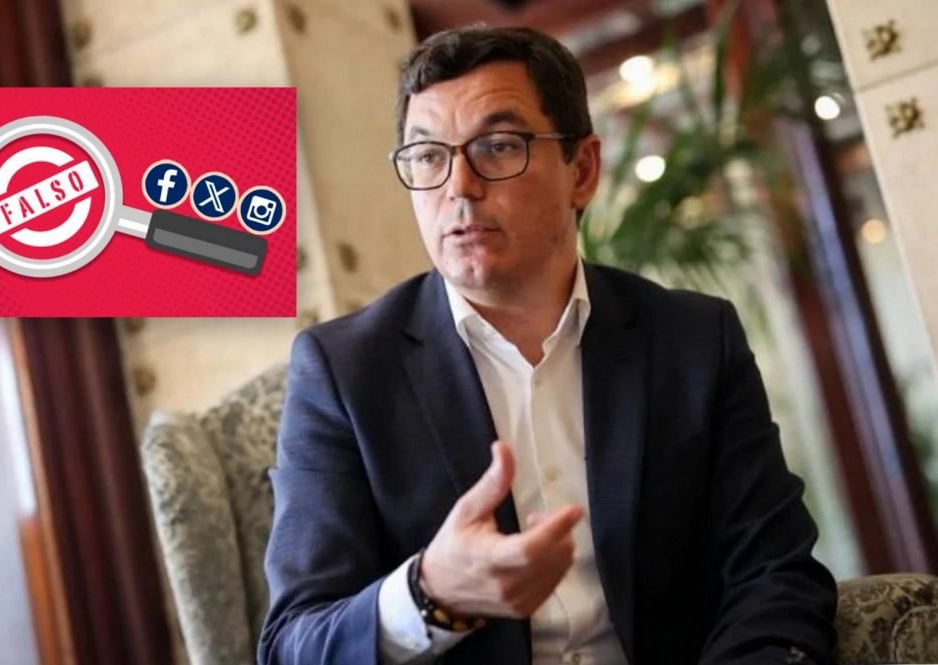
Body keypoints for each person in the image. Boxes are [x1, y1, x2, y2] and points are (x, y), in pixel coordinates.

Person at [258, 25, 837, 665]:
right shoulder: (344, 373)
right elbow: (293, 645)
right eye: (427, 156)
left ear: (581, 170)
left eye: (498, 147)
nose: (458, 186)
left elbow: (774, 575)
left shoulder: (693, 342)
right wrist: (429, 594)